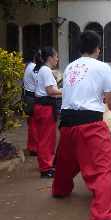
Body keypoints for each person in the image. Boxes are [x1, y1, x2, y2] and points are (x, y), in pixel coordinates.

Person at [52, 30, 111, 220]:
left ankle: (60, 190)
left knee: (66, 160)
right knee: (104, 167)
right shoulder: (101, 67)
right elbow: (110, 99)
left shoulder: (69, 66)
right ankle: (102, 219)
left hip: (66, 122)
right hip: (90, 124)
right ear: (98, 48)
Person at [33, 47, 61, 178]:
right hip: (45, 108)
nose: (57, 59)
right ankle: (46, 168)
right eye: (56, 56)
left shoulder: (44, 70)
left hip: (42, 107)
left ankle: (47, 164)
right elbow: (51, 91)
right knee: (46, 139)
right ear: (50, 58)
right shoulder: (46, 71)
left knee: (46, 138)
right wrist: (65, 91)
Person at [23, 54, 38, 156]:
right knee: (34, 124)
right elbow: (39, 81)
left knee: (31, 123)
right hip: (32, 98)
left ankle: (32, 146)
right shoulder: (33, 67)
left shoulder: (27, 66)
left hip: (28, 97)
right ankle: (34, 148)